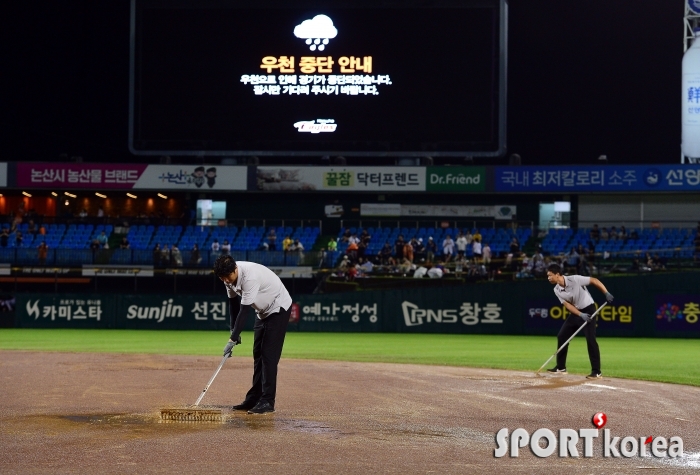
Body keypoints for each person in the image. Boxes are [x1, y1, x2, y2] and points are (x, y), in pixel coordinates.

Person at [216, 255, 292, 415]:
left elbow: (244, 312)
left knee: (268, 356)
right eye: (222, 278)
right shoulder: (227, 279)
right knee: (257, 354)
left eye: (228, 276)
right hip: (263, 313)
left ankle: (267, 401)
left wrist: (232, 339)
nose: (226, 280)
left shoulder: (249, 277)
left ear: (235, 269)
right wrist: (233, 332)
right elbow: (233, 305)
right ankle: (254, 398)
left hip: (278, 308)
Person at [545, 263, 614, 379]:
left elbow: (594, 280)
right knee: (562, 336)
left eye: (550, 275)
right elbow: (567, 305)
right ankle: (561, 367)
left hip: (589, 309)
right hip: (577, 312)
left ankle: (596, 371)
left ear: (557, 274)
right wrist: (580, 314)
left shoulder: (575, 279)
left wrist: (606, 292)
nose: (548, 278)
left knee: (590, 339)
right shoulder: (556, 289)